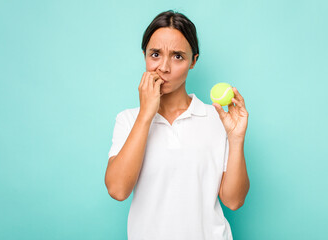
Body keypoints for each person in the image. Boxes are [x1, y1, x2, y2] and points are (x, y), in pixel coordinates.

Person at [104, 10, 250, 240]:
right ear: (144, 56)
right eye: (155, 54)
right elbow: (118, 190)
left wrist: (236, 138)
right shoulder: (128, 120)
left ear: (194, 61)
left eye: (177, 56)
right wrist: (145, 116)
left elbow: (234, 201)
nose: (164, 67)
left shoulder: (216, 119)